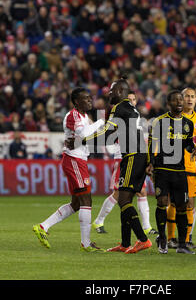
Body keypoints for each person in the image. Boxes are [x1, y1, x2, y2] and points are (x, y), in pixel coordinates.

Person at [77, 77, 152, 254]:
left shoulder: (119, 108)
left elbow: (107, 132)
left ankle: (143, 239)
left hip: (133, 155)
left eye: (111, 91)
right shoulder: (131, 108)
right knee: (125, 199)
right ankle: (125, 243)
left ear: (119, 91)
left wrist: (83, 140)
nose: (109, 93)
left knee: (124, 200)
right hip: (138, 155)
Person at [32, 87, 105, 252]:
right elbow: (84, 134)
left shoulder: (85, 116)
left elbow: (88, 138)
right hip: (74, 160)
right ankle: (85, 244)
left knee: (77, 203)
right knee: (87, 200)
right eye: (85, 98)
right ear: (76, 102)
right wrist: (101, 122)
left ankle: (43, 227)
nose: (89, 101)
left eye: (90, 98)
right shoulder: (73, 115)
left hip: (79, 160)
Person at [91, 91, 157, 235]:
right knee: (118, 193)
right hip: (122, 157)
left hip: (136, 157)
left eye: (134, 99)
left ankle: (147, 227)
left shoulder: (135, 116)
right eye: (129, 99)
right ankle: (99, 221)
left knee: (142, 191)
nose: (132, 101)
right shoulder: (121, 113)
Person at [147, 90, 196, 254]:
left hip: (179, 171)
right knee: (161, 203)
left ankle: (181, 245)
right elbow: (151, 145)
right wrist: (150, 163)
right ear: (169, 103)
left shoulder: (187, 124)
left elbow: (188, 145)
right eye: (176, 100)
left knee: (182, 206)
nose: (180, 102)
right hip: (162, 170)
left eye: (181, 100)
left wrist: (195, 148)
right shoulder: (159, 122)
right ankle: (162, 238)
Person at [166, 87, 196, 250]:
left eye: (193, 96)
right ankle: (171, 238)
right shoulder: (173, 117)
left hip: (191, 168)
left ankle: (186, 239)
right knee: (174, 203)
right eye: (187, 96)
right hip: (174, 166)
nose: (190, 99)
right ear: (181, 99)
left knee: (190, 204)